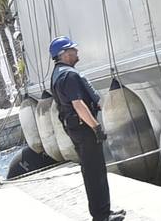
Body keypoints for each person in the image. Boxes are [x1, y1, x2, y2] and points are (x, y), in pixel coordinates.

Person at [49, 36, 124, 221]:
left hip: (75, 129)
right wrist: (96, 127)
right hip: (84, 130)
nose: (76, 52)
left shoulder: (58, 74)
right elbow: (78, 104)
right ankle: (102, 216)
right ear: (64, 54)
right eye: (73, 50)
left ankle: (103, 212)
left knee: (92, 172)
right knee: (95, 173)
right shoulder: (69, 75)